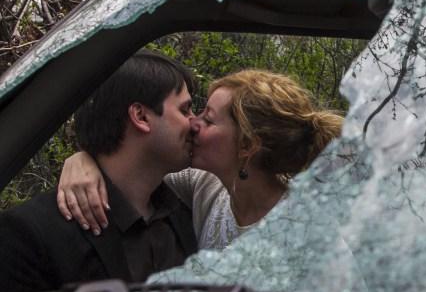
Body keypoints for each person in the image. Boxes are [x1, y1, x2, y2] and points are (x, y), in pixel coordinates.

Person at [58, 69, 342, 250]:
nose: (192, 123)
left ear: (246, 145)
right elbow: (135, 169)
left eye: (208, 118)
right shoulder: (208, 186)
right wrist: (83, 159)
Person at [0, 50, 199, 292]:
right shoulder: (30, 234)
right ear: (141, 116)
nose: (194, 123)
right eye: (185, 110)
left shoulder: (185, 213)